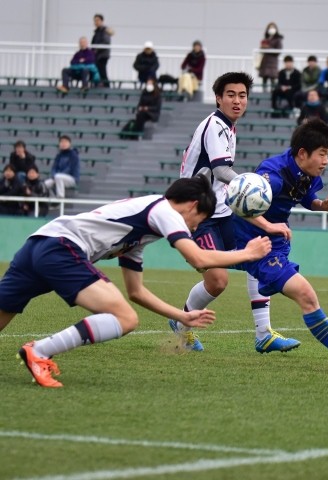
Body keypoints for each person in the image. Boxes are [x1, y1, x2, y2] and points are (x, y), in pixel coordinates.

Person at [1, 174, 272, 388]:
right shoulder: (162, 210)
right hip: (61, 248)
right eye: (198, 220)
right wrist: (247, 253)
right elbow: (198, 259)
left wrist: (181, 315)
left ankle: (38, 352)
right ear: (192, 205)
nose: (195, 228)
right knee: (125, 320)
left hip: (38, 244)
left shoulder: (141, 231)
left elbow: (136, 292)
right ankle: (40, 351)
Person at [172, 71, 299, 353]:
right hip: (198, 213)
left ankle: (263, 334)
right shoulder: (216, 125)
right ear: (218, 98)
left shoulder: (229, 127)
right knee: (218, 281)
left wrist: (266, 225)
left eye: (242, 95)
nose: (237, 100)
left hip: (221, 210)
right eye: (230, 94)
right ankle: (181, 323)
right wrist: (252, 182)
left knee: (258, 251)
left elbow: (225, 183)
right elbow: (220, 171)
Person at [233, 119, 328, 371]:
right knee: (306, 295)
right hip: (255, 242)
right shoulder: (272, 176)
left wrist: (323, 205)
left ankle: (184, 322)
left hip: (274, 240)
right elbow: (240, 204)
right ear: (302, 154)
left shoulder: (305, 174)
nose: (326, 160)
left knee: (215, 283)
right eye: (322, 154)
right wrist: (268, 226)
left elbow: (308, 198)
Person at [44, 135, 80, 200]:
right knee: (46, 184)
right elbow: (54, 168)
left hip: (72, 179)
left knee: (58, 176)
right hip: (58, 177)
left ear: (70, 144)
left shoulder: (73, 155)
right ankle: (52, 200)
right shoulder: (59, 155)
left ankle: (60, 199)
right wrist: (53, 175)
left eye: (65, 142)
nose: (63, 144)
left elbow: (70, 169)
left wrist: (56, 175)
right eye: (62, 142)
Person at [257, 22, 283, 91]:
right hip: (265, 60)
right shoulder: (265, 39)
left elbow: (278, 51)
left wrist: (268, 47)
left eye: (273, 28)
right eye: (270, 28)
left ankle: (273, 92)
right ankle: (264, 91)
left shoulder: (278, 39)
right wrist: (262, 47)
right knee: (264, 77)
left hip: (273, 61)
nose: (271, 29)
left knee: (272, 78)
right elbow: (261, 51)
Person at [91, 14, 114, 88]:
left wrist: (96, 49)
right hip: (97, 55)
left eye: (98, 20)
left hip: (102, 55)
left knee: (102, 71)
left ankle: (106, 86)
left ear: (102, 21)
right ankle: (97, 84)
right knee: (97, 70)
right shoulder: (97, 31)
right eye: (95, 21)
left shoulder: (104, 30)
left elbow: (106, 42)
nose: (96, 22)